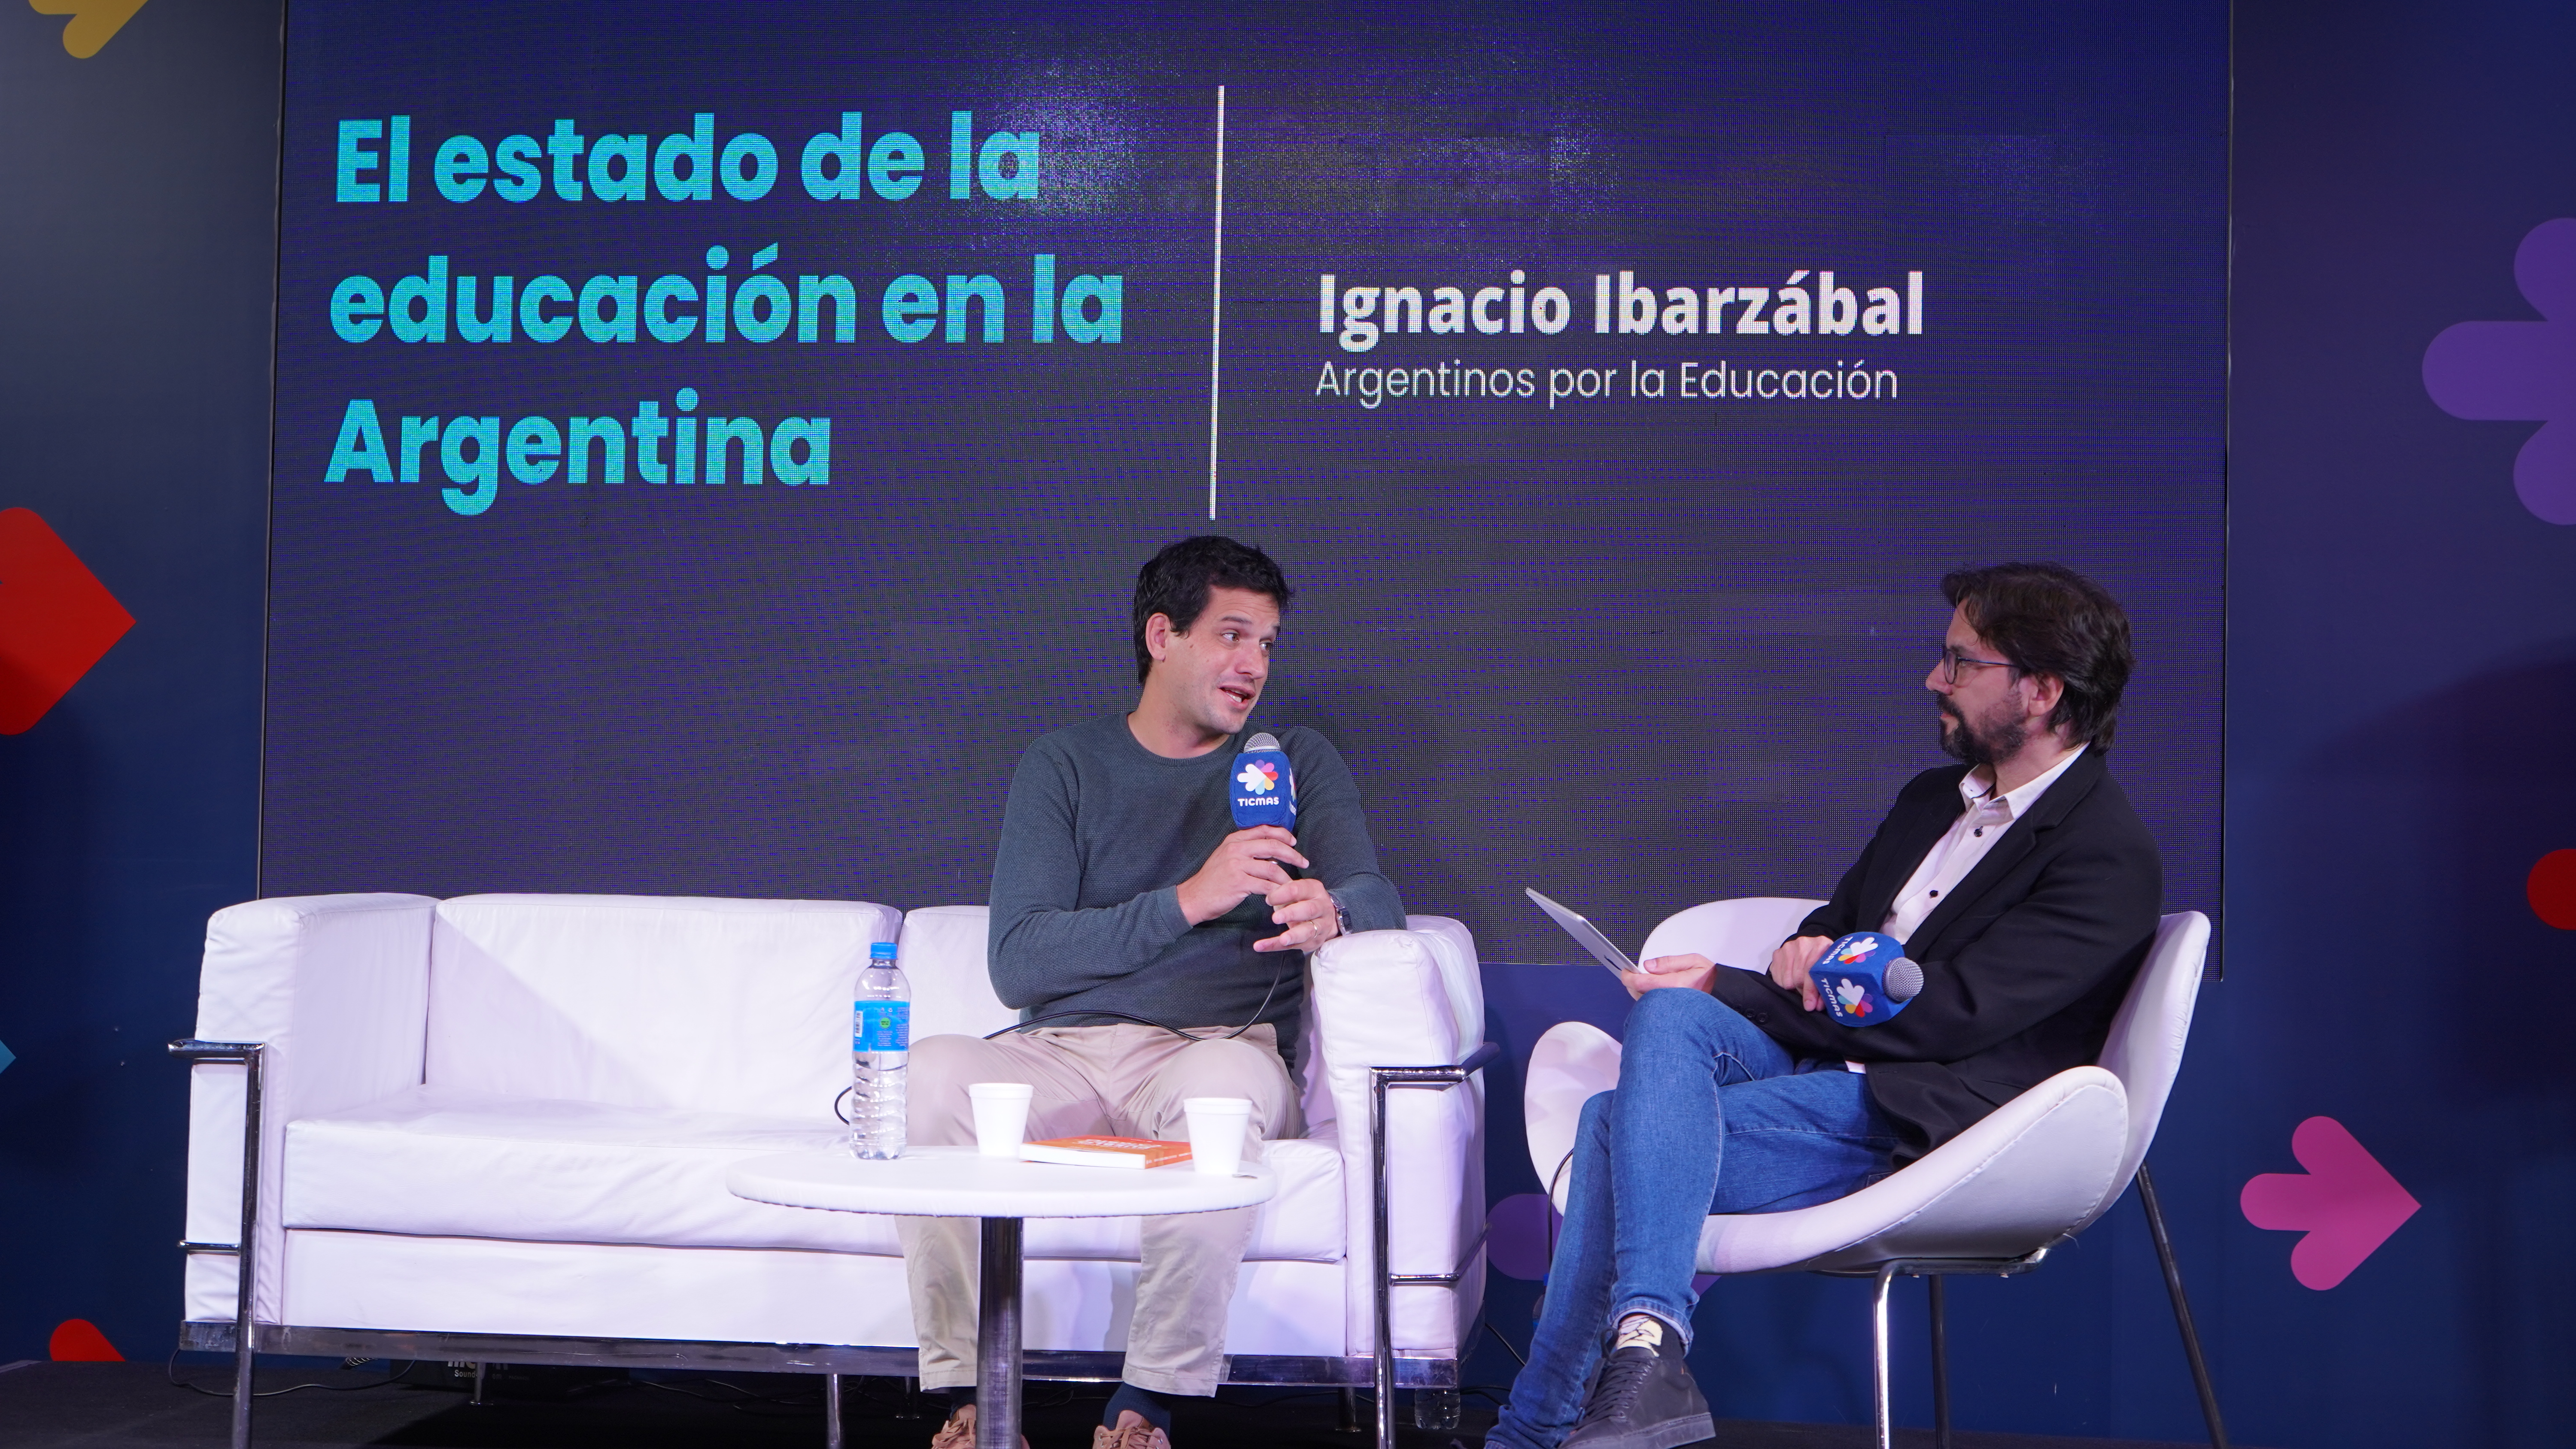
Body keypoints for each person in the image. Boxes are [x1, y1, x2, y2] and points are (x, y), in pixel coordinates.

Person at [1491, 562, 2163, 1449]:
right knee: (1670, 1017)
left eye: (1961, 662)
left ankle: (1543, 1424)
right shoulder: (1934, 800)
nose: (1935, 678)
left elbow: (1954, 1015)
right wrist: (1794, 952)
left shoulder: (2104, 853)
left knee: (1618, 1129)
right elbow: (1830, 930)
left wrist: (1739, 982)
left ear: (2041, 691)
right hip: (1815, 1072)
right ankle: (1645, 1360)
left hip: (1925, 1116)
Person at [900, 535, 1406, 1449]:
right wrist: (1191, 898)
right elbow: (1020, 962)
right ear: (1162, 634)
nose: (1254, 664)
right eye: (1233, 635)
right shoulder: (1065, 763)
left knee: (1218, 1094)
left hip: (1215, 1046)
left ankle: (1144, 1405)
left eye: (1269, 643)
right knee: (932, 1070)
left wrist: (1332, 907)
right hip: (1059, 1051)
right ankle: (971, 1400)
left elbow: (1378, 895)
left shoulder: (1291, 758)